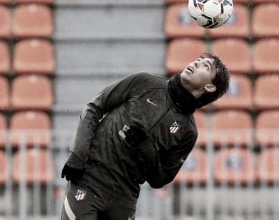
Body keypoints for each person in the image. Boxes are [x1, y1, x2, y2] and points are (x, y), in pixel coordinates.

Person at [60, 52, 230, 220]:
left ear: (210, 87)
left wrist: (145, 148)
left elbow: (160, 180)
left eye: (205, 66)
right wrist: (78, 155)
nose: (195, 63)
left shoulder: (188, 132)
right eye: (197, 59)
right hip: (89, 180)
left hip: (124, 199)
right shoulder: (144, 82)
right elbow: (94, 107)